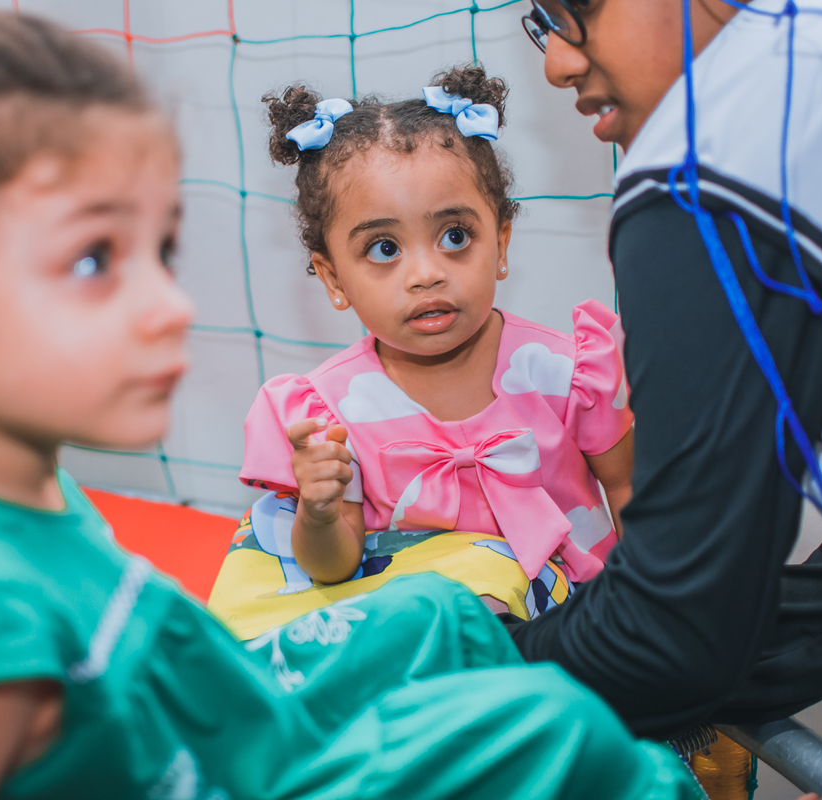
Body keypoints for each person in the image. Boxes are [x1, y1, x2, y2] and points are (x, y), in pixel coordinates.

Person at [0, 11, 708, 799]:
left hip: (242, 731)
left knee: (439, 613)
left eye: (155, 252)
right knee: (554, 731)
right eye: (92, 261)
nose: (170, 304)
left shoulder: (19, 490)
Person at [507, 0, 822, 755]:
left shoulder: (706, 162)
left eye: (575, 7)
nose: (556, 60)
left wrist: (464, 666)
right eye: (540, 23)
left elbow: (669, 635)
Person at [213, 66, 634, 630]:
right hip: (430, 647)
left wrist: (652, 619)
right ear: (333, 277)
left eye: (455, 236)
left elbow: (632, 491)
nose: (426, 274)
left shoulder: (569, 373)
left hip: (582, 628)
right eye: (384, 248)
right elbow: (333, 571)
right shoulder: (328, 414)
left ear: (501, 243)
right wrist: (316, 511)